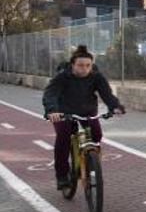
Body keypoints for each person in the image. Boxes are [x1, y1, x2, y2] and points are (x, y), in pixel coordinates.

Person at [43, 46, 125, 190]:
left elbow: (107, 94)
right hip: (64, 111)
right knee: (63, 137)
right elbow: (51, 94)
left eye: (88, 65)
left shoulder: (96, 76)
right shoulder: (63, 76)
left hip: (87, 110)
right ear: (73, 65)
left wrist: (115, 107)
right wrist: (52, 110)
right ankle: (62, 175)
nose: (84, 69)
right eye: (80, 65)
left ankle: (90, 162)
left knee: (96, 135)